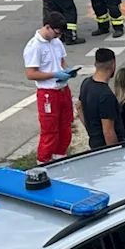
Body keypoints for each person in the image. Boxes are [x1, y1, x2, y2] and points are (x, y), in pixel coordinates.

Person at [23, 12, 75, 163]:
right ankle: (44, 162)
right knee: (50, 131)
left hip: (63, 90)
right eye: (57, 33)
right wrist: (54, 74)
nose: (58, 37)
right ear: (47, 27)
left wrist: (68, 71)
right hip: (48, 93)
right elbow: (31, 74)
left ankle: (60, 158)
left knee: (65, 128)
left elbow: (62, 61)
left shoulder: (56, 42)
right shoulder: (34, 47)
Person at [77, 47, 121, 150]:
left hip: (94, 143)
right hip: (105, 149)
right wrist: (115, 153)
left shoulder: (86, 83)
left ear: (95, 64)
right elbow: (108, 131)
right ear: (113, 65)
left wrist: (92, 131)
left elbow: (79, 107)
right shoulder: (106, 96)